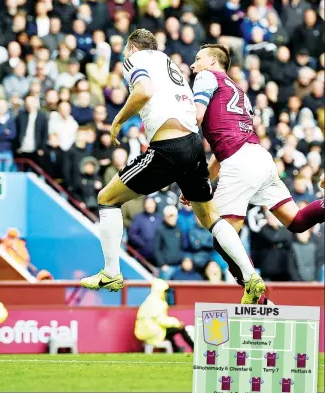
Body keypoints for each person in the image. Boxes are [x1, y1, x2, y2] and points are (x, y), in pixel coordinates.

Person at [80, 29, 262, 305]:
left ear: (131, 49)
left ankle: (111, 272)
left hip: (168, 148)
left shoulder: (136, 60)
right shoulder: (168, 62)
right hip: (193, 145)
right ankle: (251, 276)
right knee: (210, 217)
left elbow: (143, 91)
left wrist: (116, 121)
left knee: (106, 199)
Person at [187, 44, 325, 301]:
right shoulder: (238, 90)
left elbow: (195, 118)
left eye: (198, 59)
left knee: (222, 234)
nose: (193, 66)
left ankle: (255, 289)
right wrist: (202, 179)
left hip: (239, 161)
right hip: (259, 158)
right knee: (297, 222)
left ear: (214, 62)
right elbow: (220, 149)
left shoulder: (206, 77)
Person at [135, 279, 194, 352]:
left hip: (145, 332)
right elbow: (161, 321)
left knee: (170, 330)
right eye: (165, 291)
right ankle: (194, 347)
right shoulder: (159, 303)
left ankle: (177, 349)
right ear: (161, 291)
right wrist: (177, 323)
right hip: (154, 332)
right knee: (180, 328)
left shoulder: (148, 301)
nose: (166, 294)